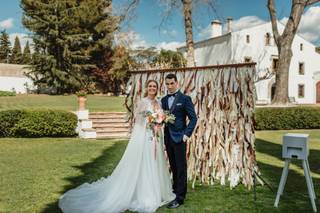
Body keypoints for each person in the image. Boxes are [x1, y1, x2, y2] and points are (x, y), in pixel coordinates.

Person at [59, 80, 175, 213]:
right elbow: (138, 122)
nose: (152, 88)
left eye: (154, 86)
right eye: (150, 86)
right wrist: (152, 122)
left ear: (157, 88)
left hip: (156, 139)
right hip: (145, 138)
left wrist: (159, 122)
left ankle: (157, 191)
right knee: (145, 163)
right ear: (146, 88)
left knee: (155, 163)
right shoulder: (143, 102)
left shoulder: (158, 102)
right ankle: (144, 193)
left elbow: (160, 118)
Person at [161, 73, 197, 209]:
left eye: (172, 83)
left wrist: (186, 134)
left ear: (177, 83)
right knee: (173, 166)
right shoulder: (164, 100)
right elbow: (162, 117)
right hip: (168, 138)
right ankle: (175, 191)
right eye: (167, 84)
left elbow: (193, 118)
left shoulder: (185, 99)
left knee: (181, 167)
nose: (170, 86)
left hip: (180, 138)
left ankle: (180, 198)